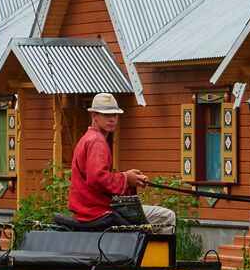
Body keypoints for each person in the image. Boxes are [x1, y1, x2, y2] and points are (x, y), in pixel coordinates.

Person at [69, 93, 175, 235]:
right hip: (98, 211)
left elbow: (99, 176)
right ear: (94, 115)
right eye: (107, 115)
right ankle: (150, 257)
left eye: (115, 115)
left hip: (87, 210)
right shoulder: (97, 141)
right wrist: (126, 178)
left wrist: (130, 178)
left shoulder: (88, 139)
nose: (112, 119)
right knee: (167, 217)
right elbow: (97, 178)